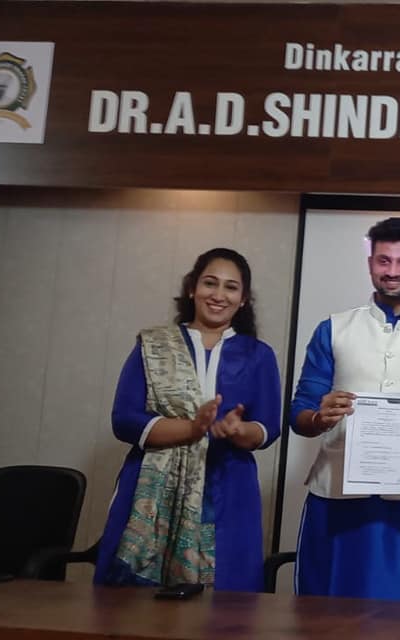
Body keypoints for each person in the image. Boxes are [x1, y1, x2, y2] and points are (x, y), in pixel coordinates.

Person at [288, 217, 400, 600]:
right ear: (370, 263)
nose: (392, 271)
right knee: (322, 611)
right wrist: (319, 417)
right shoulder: (333, 329)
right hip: (335, 494)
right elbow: (300, 414)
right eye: (383, 260)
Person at [96, 248, 282, 592]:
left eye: (231, 287)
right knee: (133, 605)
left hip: (228, 485)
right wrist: (193, 429)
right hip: (150, 484)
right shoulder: (154, 345)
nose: (219, 295)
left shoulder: (258, 355)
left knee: (226, 601)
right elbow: (124, 420)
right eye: (210, 283)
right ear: (192, 288)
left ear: (243, 300)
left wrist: (238, 430)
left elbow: (269, 427)